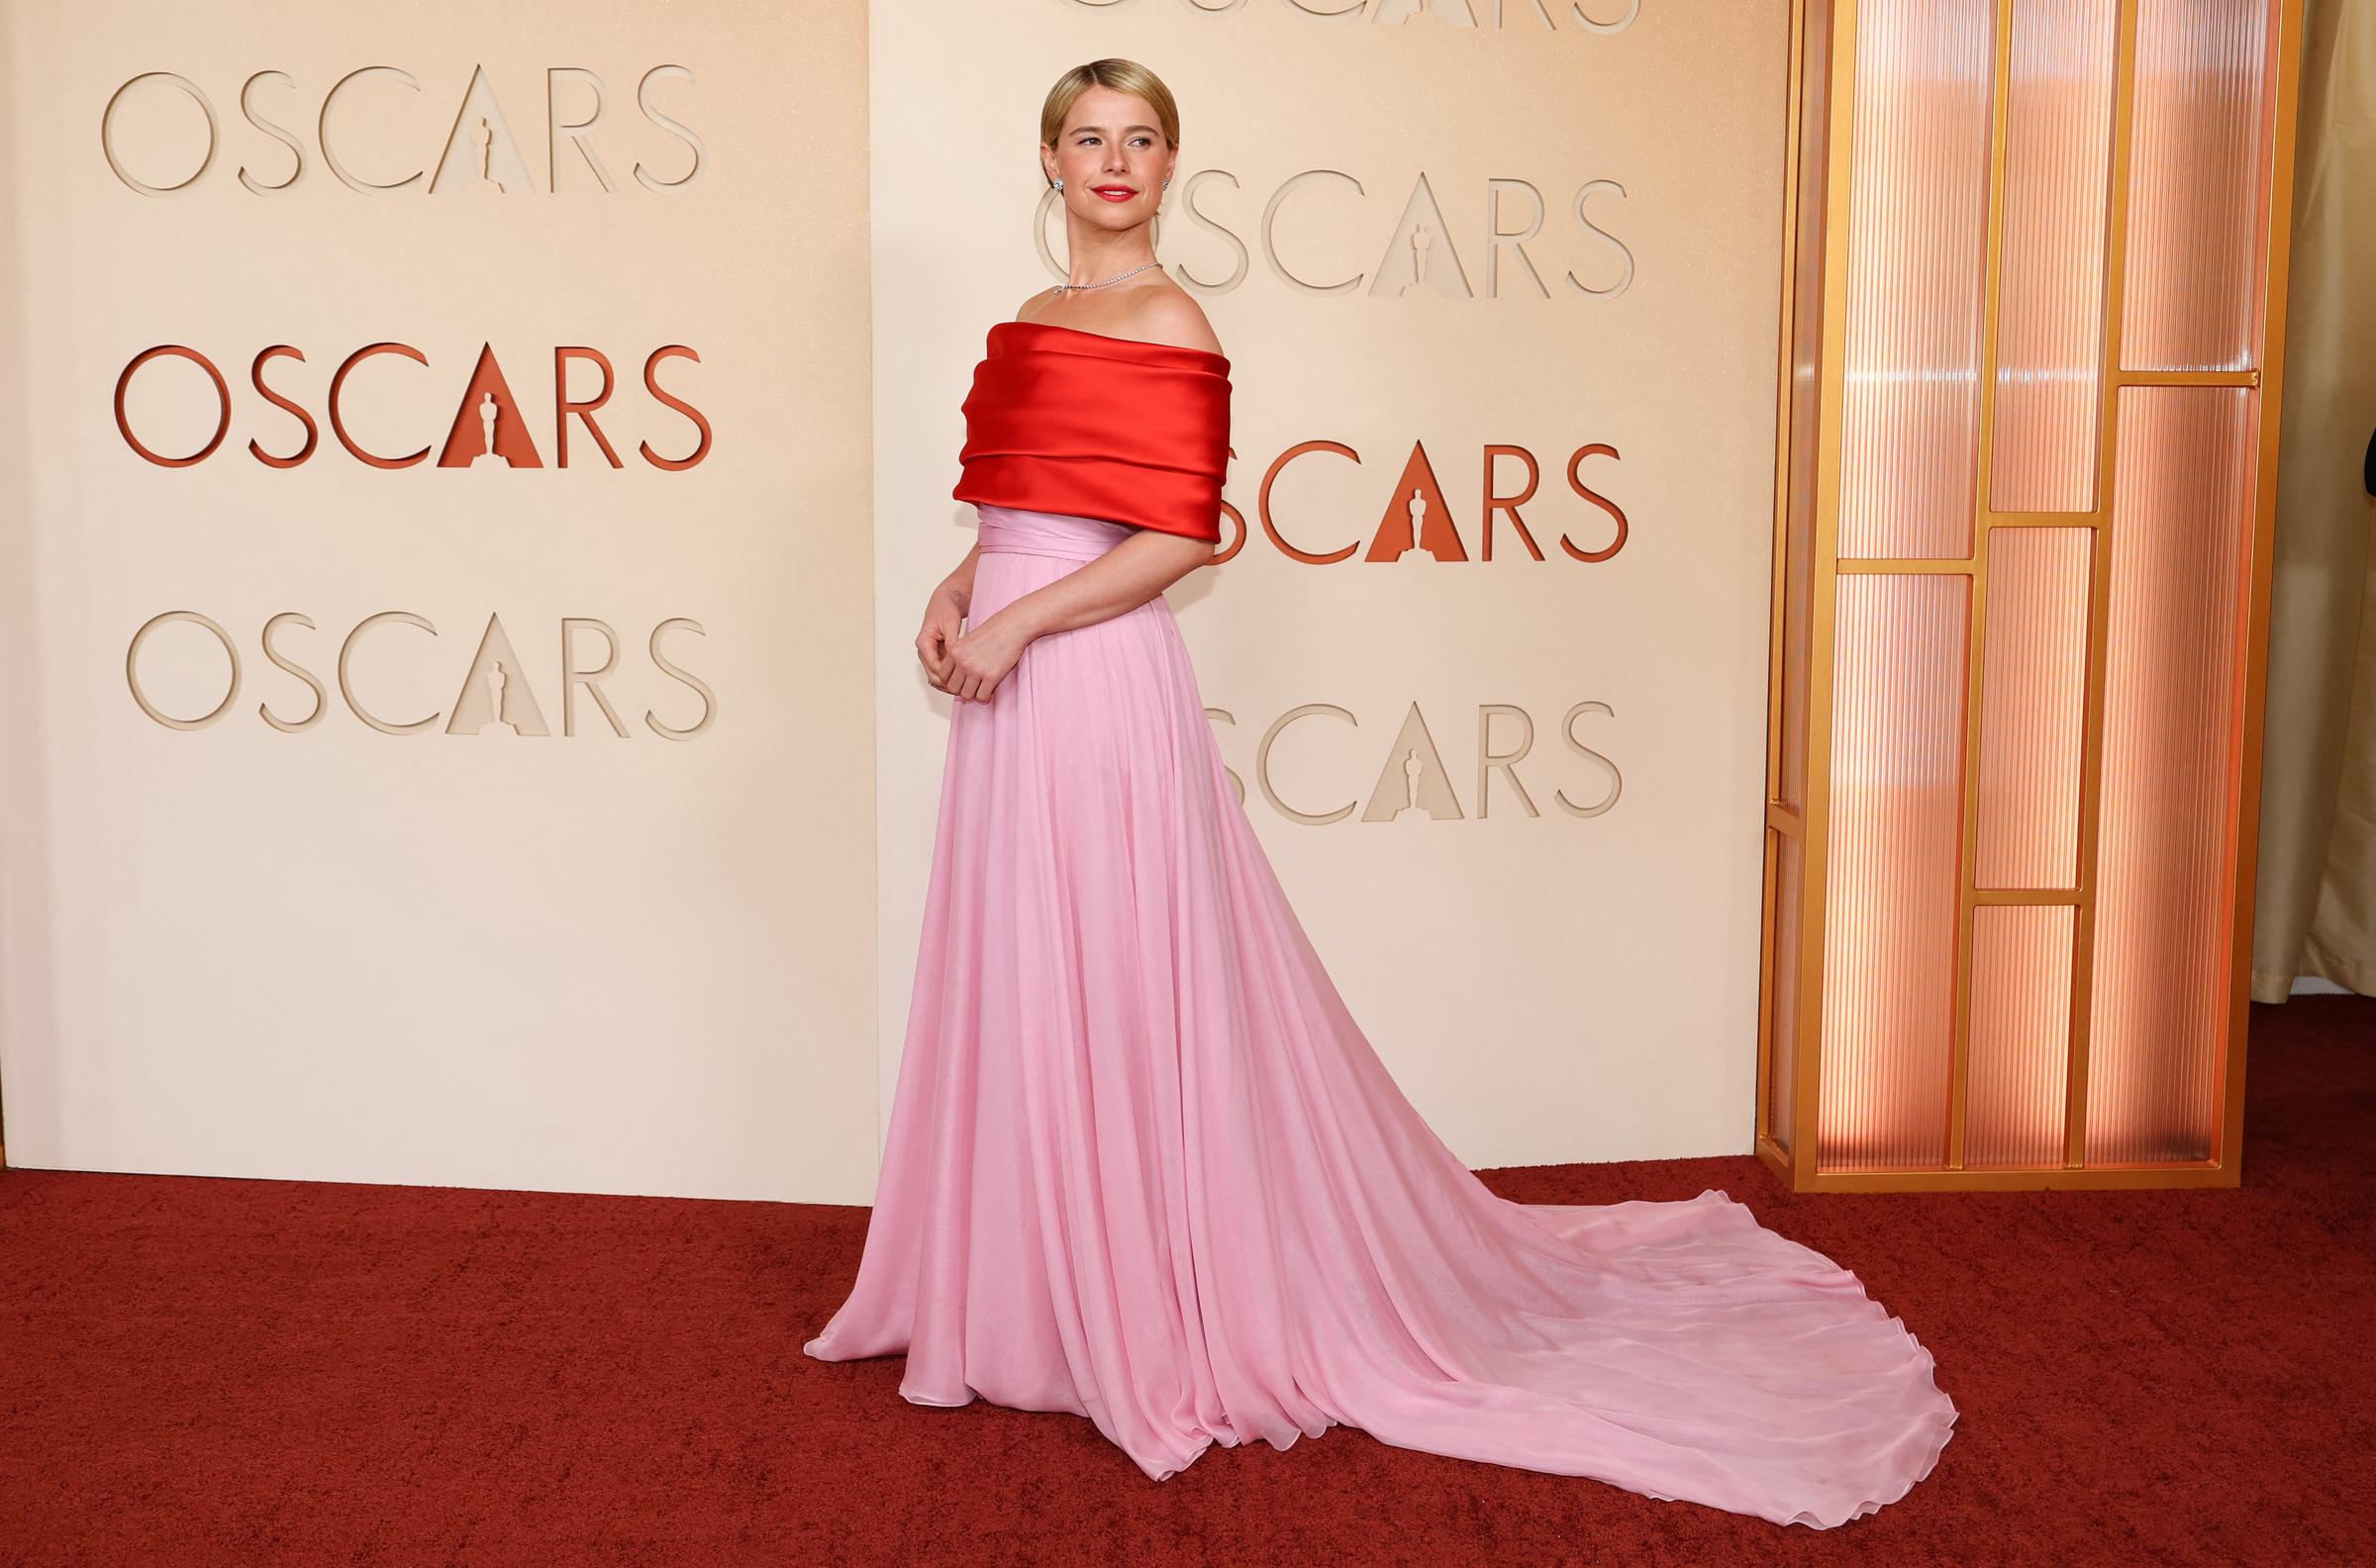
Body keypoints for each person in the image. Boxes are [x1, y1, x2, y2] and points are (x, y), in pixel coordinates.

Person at [802, 58, 1958, 1529]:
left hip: (1092, 686)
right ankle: (1027, 1292)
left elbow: (1179, 542)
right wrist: (962, 582)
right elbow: (1021, 501)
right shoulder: (1030, 322)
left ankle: (1140, 1298)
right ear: (1047, 161)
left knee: (1118, 977)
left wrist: (1023, 622)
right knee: (1030, 975)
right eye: (1088, 138)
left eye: (1140, 140)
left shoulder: (1171, 317)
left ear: (1168, 167)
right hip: (1013, 677)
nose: (1114, 161)